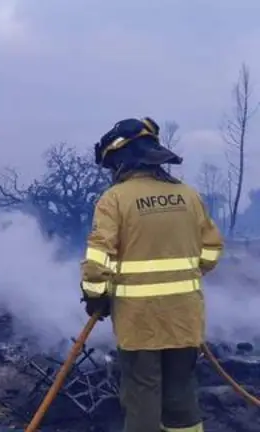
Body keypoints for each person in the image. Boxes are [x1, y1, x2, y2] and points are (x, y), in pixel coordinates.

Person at [80, 117, 223, 432]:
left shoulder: (115, 199)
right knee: (182, 393)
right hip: (185, 315)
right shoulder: (188, 195)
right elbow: (212, 249)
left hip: (139, 320)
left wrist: (95, 295)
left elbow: (97, 259)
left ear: (121, 161)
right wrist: (186, 274)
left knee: (142, 393)